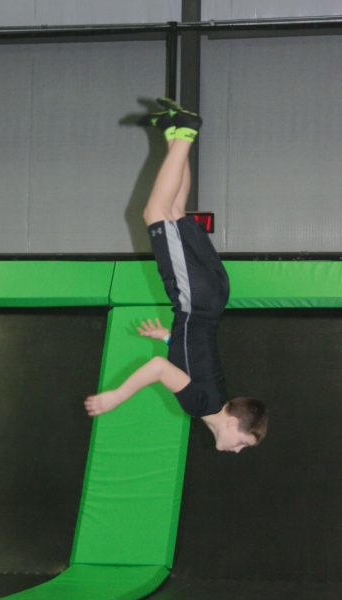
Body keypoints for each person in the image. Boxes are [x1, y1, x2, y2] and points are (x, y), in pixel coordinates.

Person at [85, 98, 267, 452]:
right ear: (232, 423)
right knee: (155, 212)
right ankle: (185, 130)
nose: (237, 449)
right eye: (243, 442)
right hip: (195, 298)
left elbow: (195, 357)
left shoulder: (215, 396)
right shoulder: (200, 405)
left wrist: (169, 337)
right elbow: (156, 369)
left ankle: (173, 132)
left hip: (212, 297)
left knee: (173, 210)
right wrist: (116, 397)